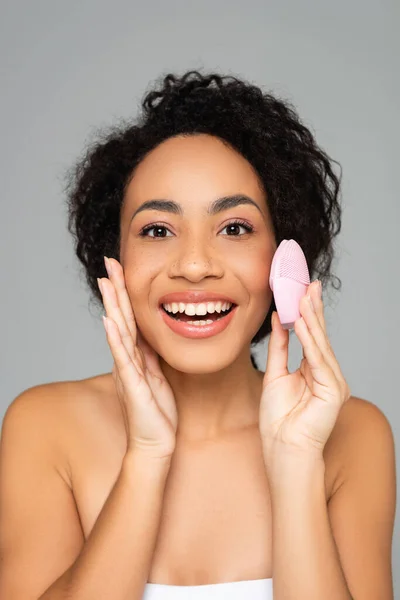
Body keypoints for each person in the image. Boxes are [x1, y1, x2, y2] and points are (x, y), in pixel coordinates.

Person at [0, 70, 396, 600]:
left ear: (284, 260)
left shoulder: (353, 434)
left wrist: (297, 460)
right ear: (114, 261)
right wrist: (146, 456)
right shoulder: (45, 427)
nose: (193, 264)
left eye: (234, 228)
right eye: (157, 230)